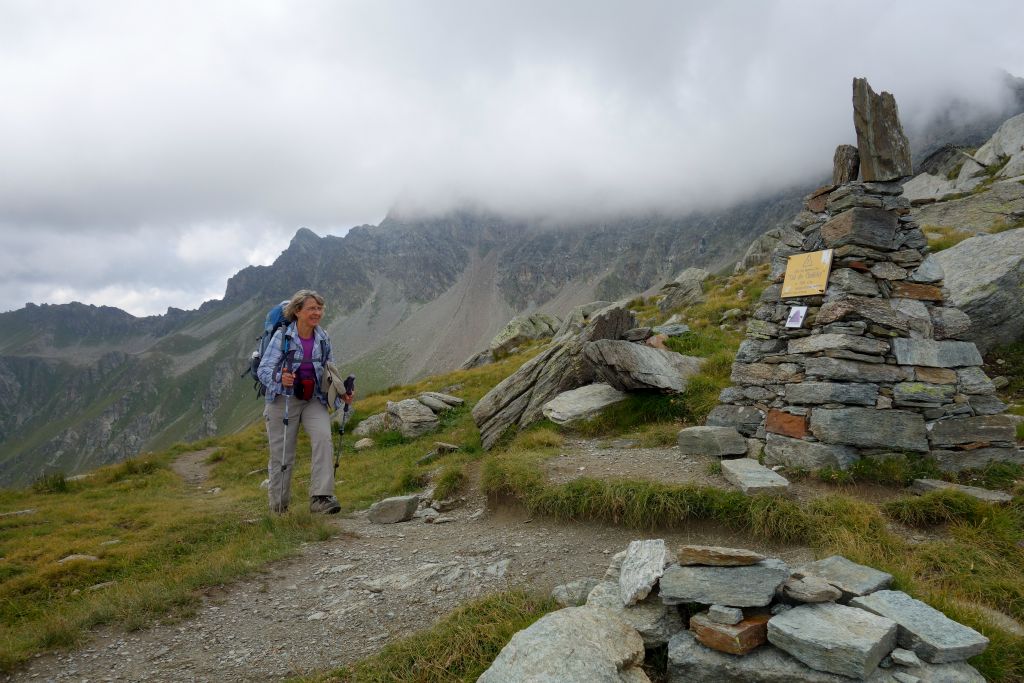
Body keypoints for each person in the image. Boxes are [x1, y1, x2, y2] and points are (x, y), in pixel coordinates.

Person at [257, 290, 353, 514]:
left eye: (319, 308)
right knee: (283, 454)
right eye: (312, 308)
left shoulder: (323, 337)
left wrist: (341, 393)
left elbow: (330, 370)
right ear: (297, 311)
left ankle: (321, 498)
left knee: (323, 438)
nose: (317, 313)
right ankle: (279, 508)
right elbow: (264, 370)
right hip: (283, 399)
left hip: (313, 399)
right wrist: (279, 377)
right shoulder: (283, 337)